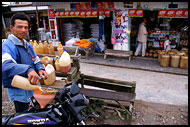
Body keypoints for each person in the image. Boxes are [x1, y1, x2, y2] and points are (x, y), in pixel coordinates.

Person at [2, 13, 48, 113]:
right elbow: (5, 65)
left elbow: (36, 60)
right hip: (20, 93)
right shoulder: (7, 46)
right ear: (11, 28)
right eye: (19, 27)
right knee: (24, 117)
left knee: (36, 116)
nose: (23, 30)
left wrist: (40, 68)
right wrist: (27, 69)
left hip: (33, 88)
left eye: (26, 27)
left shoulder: (27, 45)